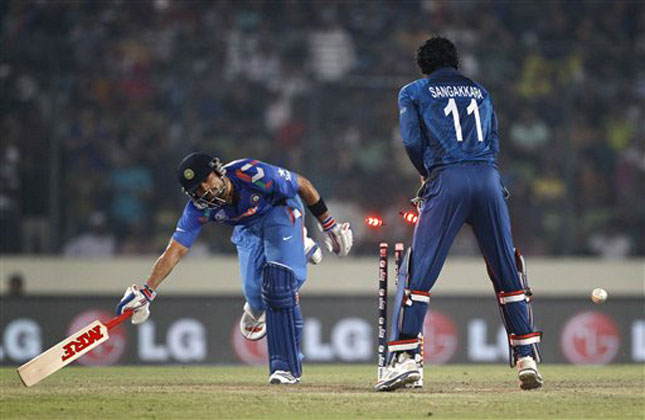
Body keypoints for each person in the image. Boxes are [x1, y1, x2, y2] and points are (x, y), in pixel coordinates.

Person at [375, 37, 543, 391]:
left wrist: (427, 172)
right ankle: (526, 355)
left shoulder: (413, 91)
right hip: (487, 179)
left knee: (418, 269)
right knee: (506, 267)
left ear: (423, 65)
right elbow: (494, 139)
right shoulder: (480, 91)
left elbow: (410, 141)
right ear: (456, 62)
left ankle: (407, 360)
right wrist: (484, 171)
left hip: (447, 180)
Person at [116, 153, 353, 384]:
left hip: (279, 212)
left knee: (279, 286)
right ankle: (296, 250)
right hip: (248, 229)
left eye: (205, 181)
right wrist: (147, 292)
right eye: (196, 189)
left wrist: (329, 225)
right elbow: (175, 250)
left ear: (217, 170)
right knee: (257, 297)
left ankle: (285, 369)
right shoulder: (199, 208)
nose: (204, 191)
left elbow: (303, 184)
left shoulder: (251, 173)